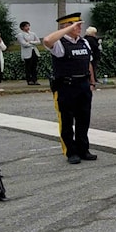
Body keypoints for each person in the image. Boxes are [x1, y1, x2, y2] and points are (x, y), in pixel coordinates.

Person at [43, 13, 97, 164]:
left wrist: (92, 82)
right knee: (67, 121)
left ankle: (83, 149)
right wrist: (67, 30)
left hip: (83, 85)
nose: (79, 27)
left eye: (80, 25)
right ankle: (71, 152)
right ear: (66, 27)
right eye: (76, 25)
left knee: (83, 120)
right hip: (66, 86)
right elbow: (47, 40)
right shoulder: (59, 43)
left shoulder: (84, 42)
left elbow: (88, 63)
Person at [16, 21, 43, 85]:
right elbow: (24, 44)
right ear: (22, 27)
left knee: (34, 66)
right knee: (28, 67)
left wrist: (30, 42)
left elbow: (38, 41)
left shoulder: (33, 33)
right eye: (26, 26)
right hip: (27, 53)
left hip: (34, 51)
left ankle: (35, 79)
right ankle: (29, 80)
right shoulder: (20, 35)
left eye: (28, 26)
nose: (28, 27)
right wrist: (33, 43)